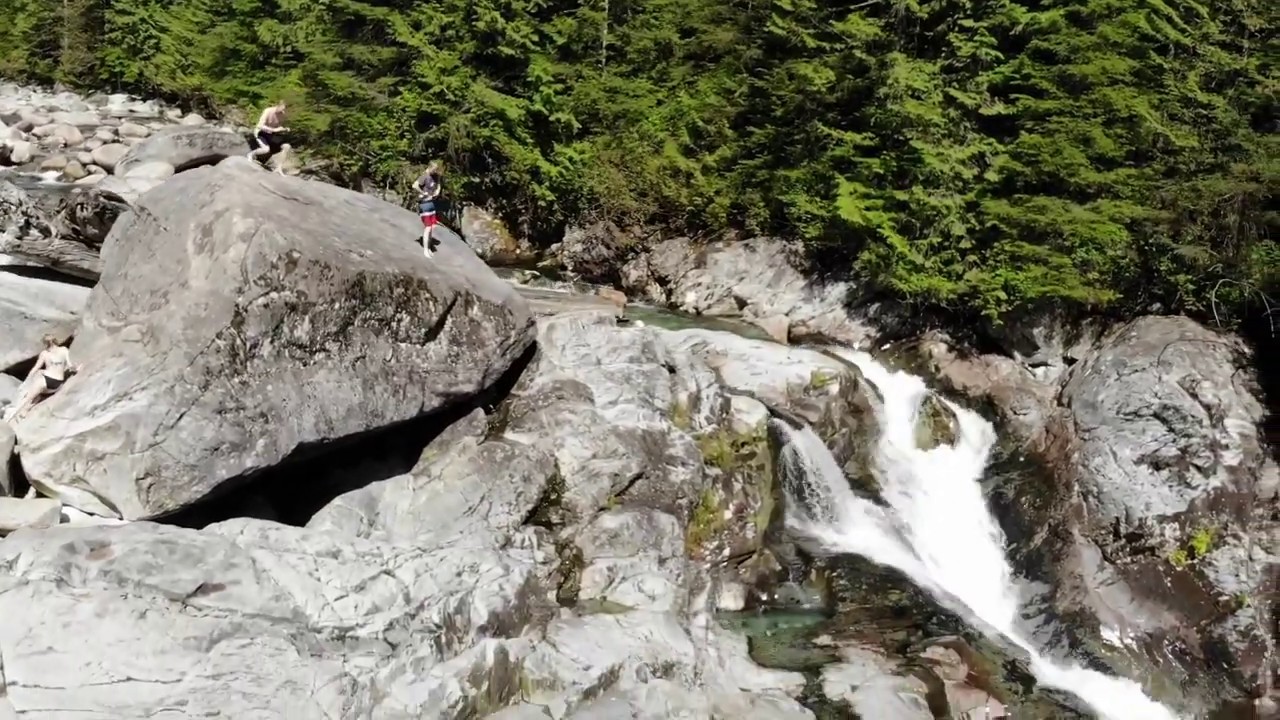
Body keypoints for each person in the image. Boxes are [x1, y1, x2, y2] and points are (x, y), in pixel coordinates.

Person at [5, 335, 74, 423]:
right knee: (40, 379)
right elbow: (70, 366)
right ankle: (26, 409)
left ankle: (10, 417)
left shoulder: (44, 354)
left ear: (45, 344)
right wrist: (77, 369)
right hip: (57, 385)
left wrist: (27, 380)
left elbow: (35, 368)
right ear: (55, 341)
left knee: (27, 397)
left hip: (46, 382)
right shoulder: (64, 350)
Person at [246, 100, 290, 173]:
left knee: (286, 146)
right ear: (278, 106)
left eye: (285, 110)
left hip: (270, 134)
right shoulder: (268, 111)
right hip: (260, 132)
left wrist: (284, 129)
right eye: (282, 109)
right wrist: (274, 129)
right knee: (266, 149)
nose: (283, 111)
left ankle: (279, 168)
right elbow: (260, 126)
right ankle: (251, 154)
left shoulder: (282, 115)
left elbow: (278, 126)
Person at [415, 161, 443, 257]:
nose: (435, 172)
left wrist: (438, 191)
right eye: (434, 170)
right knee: (427, 228)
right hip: (424, 203)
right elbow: (414, 185)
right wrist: (423, 193)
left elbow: (438, 182)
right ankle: (425, 250)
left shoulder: (435, 176)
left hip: (431, 203)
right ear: (430, 168)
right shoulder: (425, 176)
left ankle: (429, 247)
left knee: (432, 227)